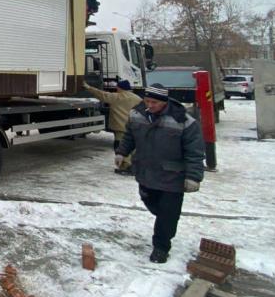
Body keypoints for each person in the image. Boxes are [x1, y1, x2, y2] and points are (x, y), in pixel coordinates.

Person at [117, 83, 205, 263]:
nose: (149, 105)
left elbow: (194, 152)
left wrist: (193, 177)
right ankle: (165, 222)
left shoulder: (184, 121)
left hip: (172, 177)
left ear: (164, 102)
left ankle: (161, 247)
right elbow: (129, 136)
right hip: (146, 173)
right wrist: (122, 152)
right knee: (150, 201)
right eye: (147, 100)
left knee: (167, 214)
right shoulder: (137, 114)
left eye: (154, 102)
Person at [83, 79, 142, 174]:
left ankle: (126, 166)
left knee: (121, 146)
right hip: (134, 126)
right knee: (133, 146)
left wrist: (88, 87)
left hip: (120, 127)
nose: (116, 89)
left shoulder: (116, 97)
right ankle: (135, 165)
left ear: (120, 88)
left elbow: (101, 94)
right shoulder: (137, 98)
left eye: (117, 87)